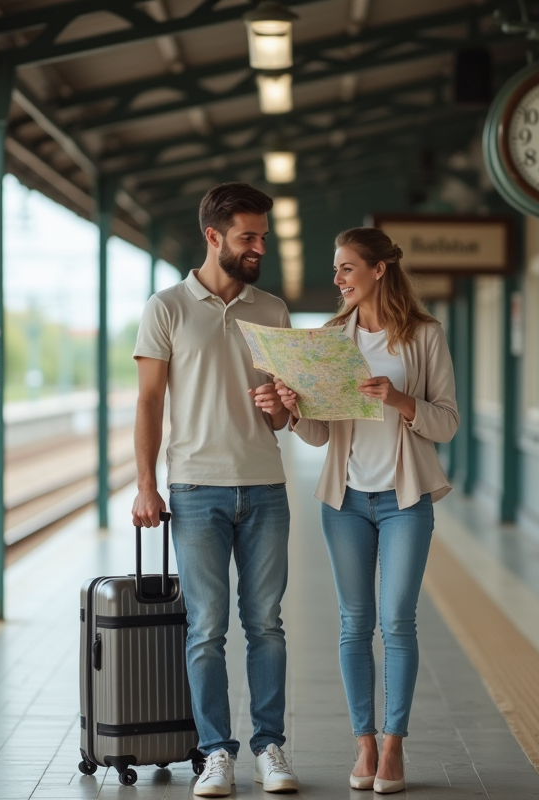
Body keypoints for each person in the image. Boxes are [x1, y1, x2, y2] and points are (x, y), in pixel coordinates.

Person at [275, 227, 459, 794]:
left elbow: (447, 423)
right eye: (336, 269)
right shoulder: (333, 339)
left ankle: (394, 744)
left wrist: (399, 400)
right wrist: (295, 409)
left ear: (379, 270)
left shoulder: (424, 336)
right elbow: (319, 435)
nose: (337, 279)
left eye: (347, 268)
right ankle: (364, 743)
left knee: (397, 621)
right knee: (355, 623)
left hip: (405, 500)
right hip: (346, 501)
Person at [131, 182, 300, 797]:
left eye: (263, 236)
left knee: (267, 625)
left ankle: (270, 748)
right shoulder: (167, 307)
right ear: (213, 236)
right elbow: (149, 402)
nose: (260, 247)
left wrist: (280, 406)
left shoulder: (273, 311)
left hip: (265, 487)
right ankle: (215, 754)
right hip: (196, 489)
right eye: (247, 237)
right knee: (205, 628)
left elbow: (283, 416)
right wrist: (146, 485)